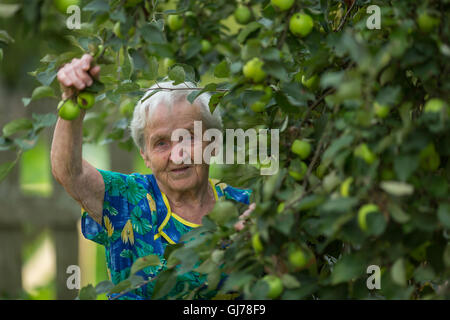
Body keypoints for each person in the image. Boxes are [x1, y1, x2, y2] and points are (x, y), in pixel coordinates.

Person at [51, 54, 254, 299]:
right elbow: (71, 172)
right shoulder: (127, 200)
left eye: (189, 136)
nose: (177, 155)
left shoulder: (246, 208)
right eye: (160, 143)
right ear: (145, 155)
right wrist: (72, 102)